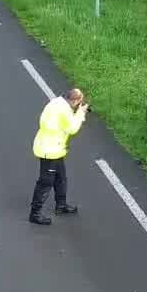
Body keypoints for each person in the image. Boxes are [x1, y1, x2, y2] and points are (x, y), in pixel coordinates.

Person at [29, 87, 89, 225]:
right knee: (45, 183)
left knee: (60, 178)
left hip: (54, 148)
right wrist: (80, 113)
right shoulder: (64, 111)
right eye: (80, 102)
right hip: (49, 151)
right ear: (76, 101)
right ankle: (35, 213)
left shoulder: (56, 103)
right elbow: (72, 128)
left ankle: (61, 205)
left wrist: (75, 112)